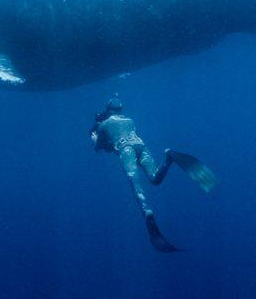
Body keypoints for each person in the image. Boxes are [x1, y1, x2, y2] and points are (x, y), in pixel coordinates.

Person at [90, 96, 218, 252]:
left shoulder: (104, 124)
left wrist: (95, 137)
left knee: (135, 184)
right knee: (155, 178)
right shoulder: (130, 120)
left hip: (126, 149)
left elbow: (102, 147)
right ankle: (169, 158)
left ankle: (146, 210)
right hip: (141, 146)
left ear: (108, 110)